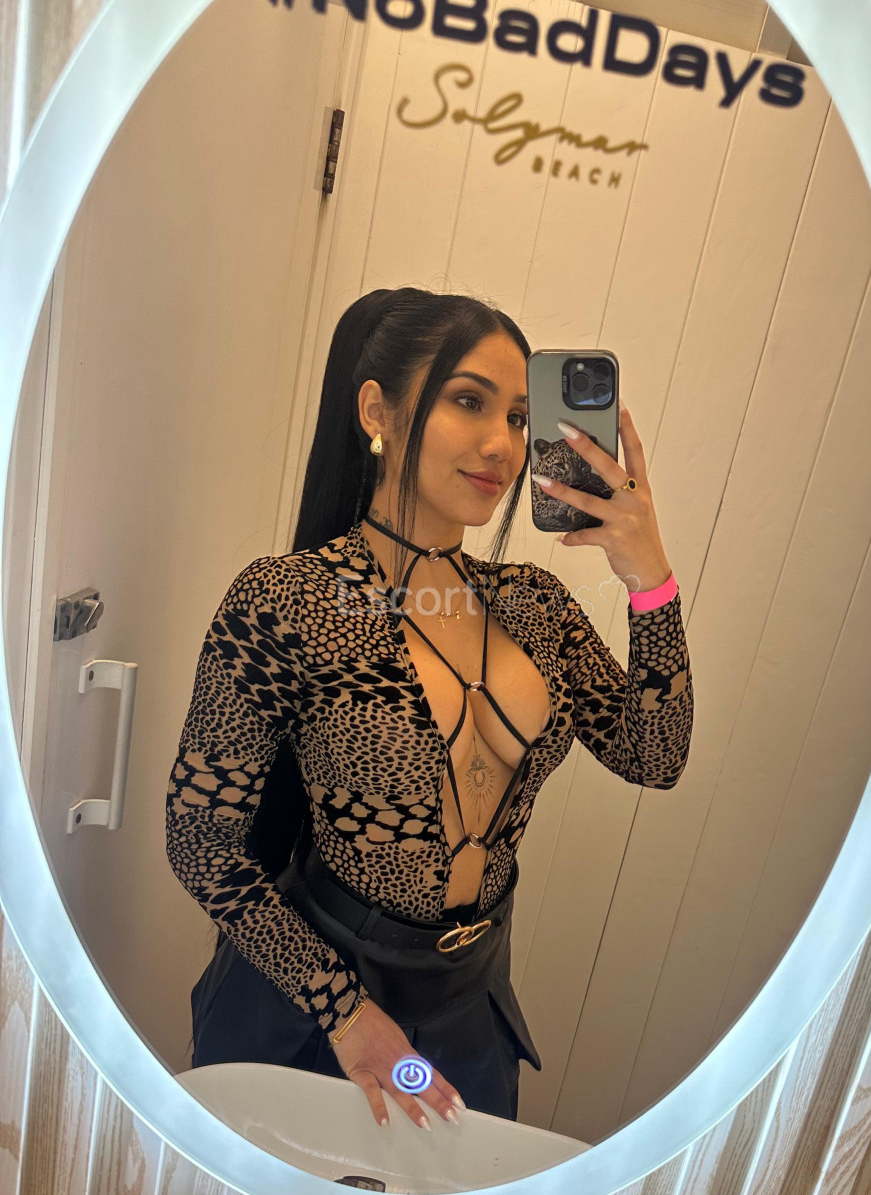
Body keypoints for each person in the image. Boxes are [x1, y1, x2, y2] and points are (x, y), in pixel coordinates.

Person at [165, 286, 693, 1133]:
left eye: (519, 417)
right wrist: (342, 1010)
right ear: (378, 411)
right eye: (468, 401)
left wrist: (649, 579)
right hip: (311, 1002)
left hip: (467, 1002)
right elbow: (200, 838)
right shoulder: (289, 600)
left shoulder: (534, 606)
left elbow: (653, 756)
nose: (502, 445)